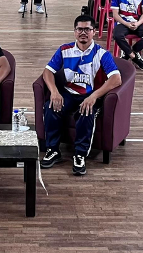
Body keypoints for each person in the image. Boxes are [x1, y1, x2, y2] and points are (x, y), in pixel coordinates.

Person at [40, 14, 122, 175]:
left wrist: (94, 96)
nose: (83, 32)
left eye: (87, 29)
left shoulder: (102, 54)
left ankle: (80, 154)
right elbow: (47, 72)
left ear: (94, 32)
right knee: (50, 107)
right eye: (79, 29)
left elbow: (116, 79)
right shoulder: (64, 50)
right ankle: (53, 150)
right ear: (74, 31)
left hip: (90, 94)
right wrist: (54, 92)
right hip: (69, 93)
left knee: (86, 112)